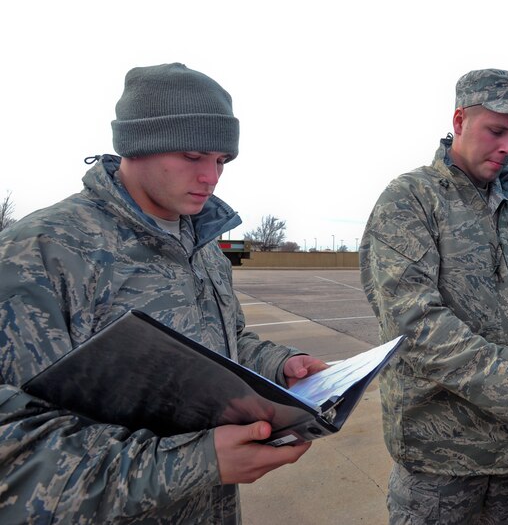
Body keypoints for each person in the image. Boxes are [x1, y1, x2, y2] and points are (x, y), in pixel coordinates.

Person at [0, 63, 327, 523]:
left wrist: (277, 365)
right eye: (194, 156)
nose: (212, 177)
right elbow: (15, 451)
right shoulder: (43, 251)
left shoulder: (203, 246)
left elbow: (222, 346)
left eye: (222, 160)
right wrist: (196, 461)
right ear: (138, 144)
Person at [360, 68, 508, 524]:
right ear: (459, 121)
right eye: (496, 131)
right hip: (442, 463)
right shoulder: (411, 199)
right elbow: (413, 324)